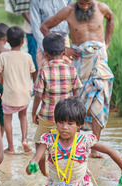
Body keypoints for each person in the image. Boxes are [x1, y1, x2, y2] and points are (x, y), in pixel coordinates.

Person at [41, 0, 115, 158]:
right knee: (78, 102)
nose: (85, 7)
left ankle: (94, 148)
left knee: (99, 100)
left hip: (99, 60)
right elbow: (44, 27)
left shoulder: (101, 7)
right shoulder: (67, 11)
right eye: (82, 4)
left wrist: (107, 43)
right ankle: (74, 144)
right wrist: (65, 49)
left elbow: (111, 18)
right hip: (80, 61)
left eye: (88, 3)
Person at [32, 33, 82, 176]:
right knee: (66, 145)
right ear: (64, 52)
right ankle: (66, 171)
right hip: (66, 116)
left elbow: (38, 95)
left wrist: (33, 113)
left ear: (45, 54)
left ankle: (44, 174)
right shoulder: (72, 69)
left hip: (47, 116)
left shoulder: (44, 71)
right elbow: (77, 94)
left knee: (40, 143)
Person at [0, 26, 36, 154]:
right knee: (23, 117)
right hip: (24, 94)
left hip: (9, 94)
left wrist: (4, 83)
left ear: (7, 40)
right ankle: (24, 140)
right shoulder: (27, 56)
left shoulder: (3, 56)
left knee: (8, 119)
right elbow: (33, 72)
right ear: (23, 41)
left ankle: (11, 147)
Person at [29, 0, 73, 74]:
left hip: (64, 39)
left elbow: (72, 16)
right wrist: (46, 50)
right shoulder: (35, 1)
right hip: (44, 40)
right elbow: (36, 27)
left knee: (67, 72)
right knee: (45, 72)